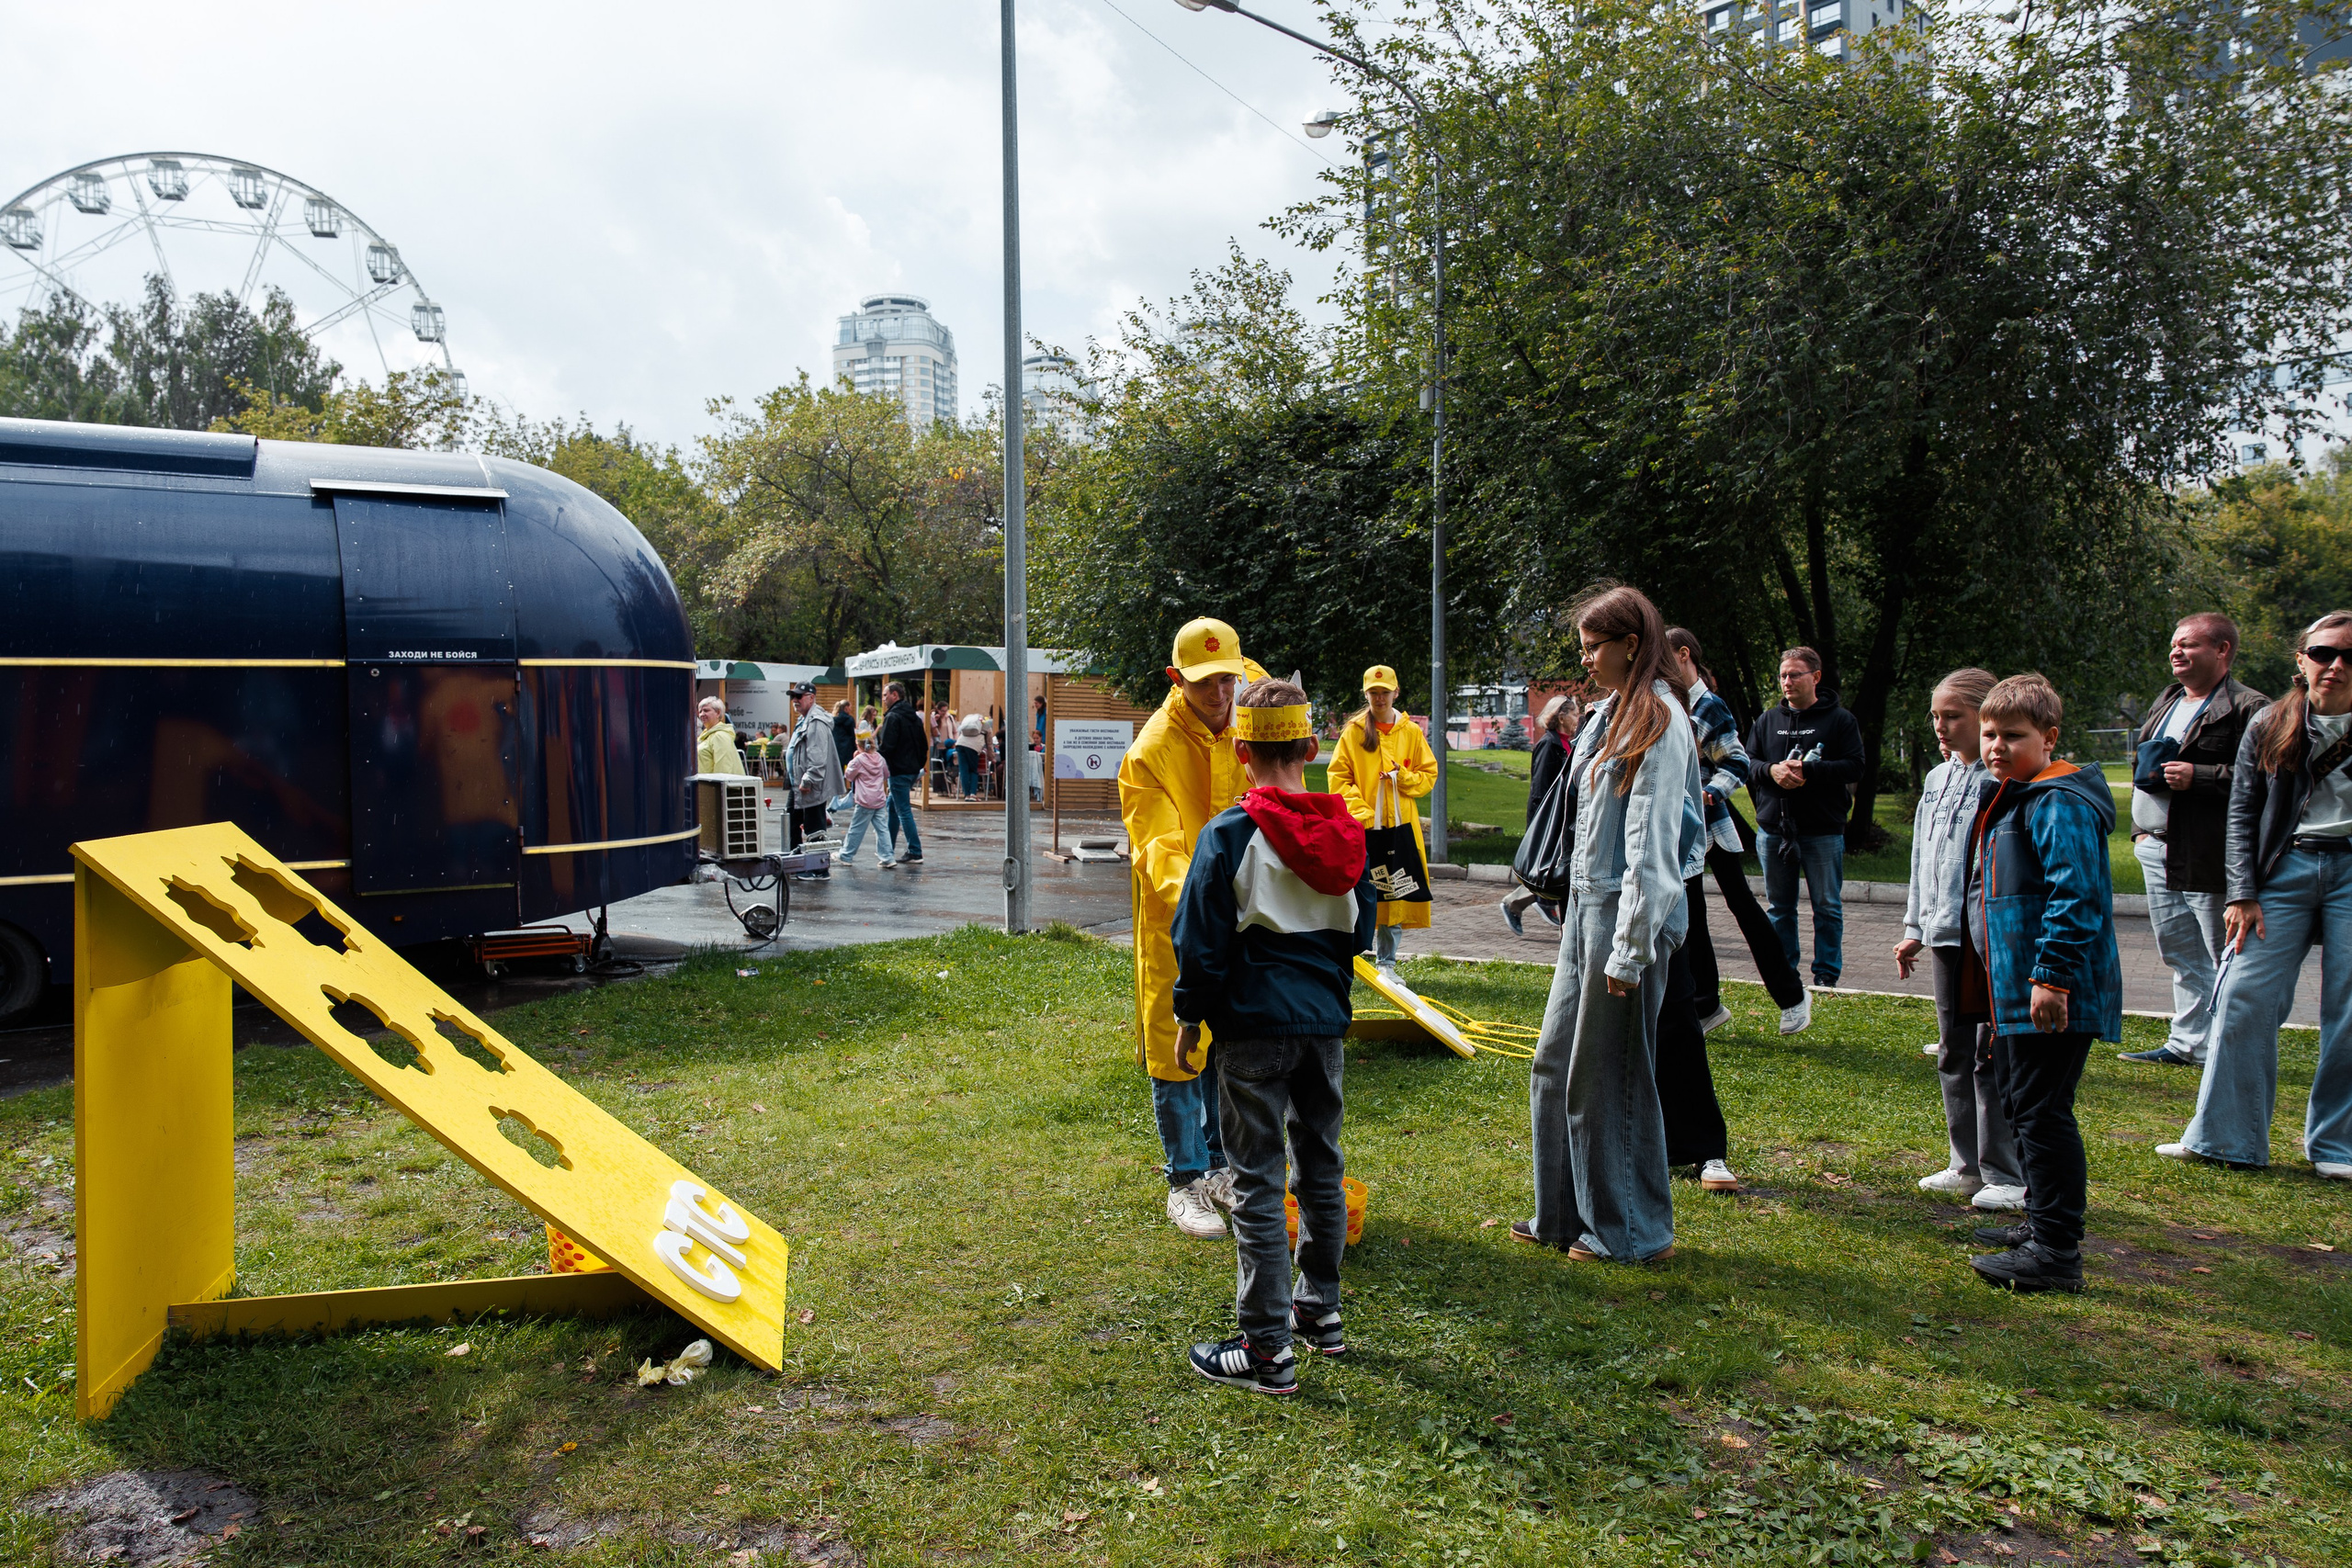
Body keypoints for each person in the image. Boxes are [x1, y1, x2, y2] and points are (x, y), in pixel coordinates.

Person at [1171, 681, 1376, 1394]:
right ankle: (1320, 1311)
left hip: (1251, 1030)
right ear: (1313, 749)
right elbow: (1363, 931)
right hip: (1324, 1026)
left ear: (1241, 750)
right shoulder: (1349, 832)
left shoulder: (1229, 835)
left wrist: (1190, 1013)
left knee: (1256, 1181)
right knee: (1320, 1166)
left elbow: (1198, 939)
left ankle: (1265, 1348)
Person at [1515, 584, 1702, 1263]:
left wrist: (1628, 952)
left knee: (1611, 1078)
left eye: (1596, 646)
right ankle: (1561, 1215)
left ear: (1632, 644)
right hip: (1588, 911)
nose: (1586, 659)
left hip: (1629, 918)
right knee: (1555, 1064)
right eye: (1584, 645)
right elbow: (1582, 820)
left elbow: (1654, 849)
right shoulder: (1606, 715)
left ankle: (1632, 1232)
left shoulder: (1657, 718)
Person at [2159, 612, 2352, 1181]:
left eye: (2349, 655)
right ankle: (2226, 1138)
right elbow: (2242, 813)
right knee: (2242, 996)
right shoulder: (2271, 722)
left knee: (2349, 1013)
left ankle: (2337, 1146)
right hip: (2282, 871)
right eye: (2322, 652)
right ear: (2302, 660)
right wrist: (2241, 893)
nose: (2335, 664)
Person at [1963, 674, 2123, 1292]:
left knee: (2043, 1112)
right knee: (2022, 1105)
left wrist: (2051, 977)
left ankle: (2056, 1251)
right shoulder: (2020, 794)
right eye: (1990, 734)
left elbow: (2074, 894)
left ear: (2049, 737)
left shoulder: (2057, 801)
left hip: (2052, 994)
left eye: (2014, 735)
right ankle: (2039, 1223)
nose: (1997, 746)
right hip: (2017, 995)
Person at [1118, 615, 1269, 1240]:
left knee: (1230, 1037)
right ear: (1176, 678)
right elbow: (1160, 848)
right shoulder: (1149, 753)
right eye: (1205, 684)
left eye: (1228, 681)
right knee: (1174, 1045)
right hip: (1178, 918)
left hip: (1243, 909)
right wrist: (1204, 907)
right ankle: (1186, 1178)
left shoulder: (1251, 710)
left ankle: (1223, 1165)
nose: (1220, 696)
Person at [1893, 669, 2024, 1211]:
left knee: (1993, 1055)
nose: (1941, 727)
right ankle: (1964, 1164)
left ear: (1985, 717)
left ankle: (2006, 1172)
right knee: (1953, 1049)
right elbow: (1923, 858)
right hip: (1946, 934)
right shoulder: (1935, 780)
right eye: (1936, 717)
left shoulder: (2004, 782)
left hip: (1989, 940)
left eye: (1953, 717)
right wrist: (1914, 927)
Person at [2121, 615, 2268, 1066]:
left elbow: (2269, 777)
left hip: (2207, 851)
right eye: (2174, 645)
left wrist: (2200, 776)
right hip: (2154, 846)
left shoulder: (2251, 707)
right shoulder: (2167, 699)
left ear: (2222, 650)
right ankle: (2189, 1044)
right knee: (2180, 951)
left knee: (2223, 953)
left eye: (2189, 644)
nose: (2176, 652)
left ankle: (2233, 1046)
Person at [1651, 628, 1751, 1194]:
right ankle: (1633, 1143)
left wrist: (1710, 795)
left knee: (1678, 1009)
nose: (1587, 660)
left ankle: (1703, 1148)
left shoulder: (1689, 709)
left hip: (1677, 875)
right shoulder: (1607, 716)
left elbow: (1732, 764)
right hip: (1613, 891)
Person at [1746, 647, 1865, 989]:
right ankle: (1785, 973)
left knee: (1826, 906)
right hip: (1774, 830)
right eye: (1783, 675)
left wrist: (1808, 769)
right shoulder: (1768, 720)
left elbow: (1855, 766)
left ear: (1815, 677)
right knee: (1780, 908)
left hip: (1822, 830)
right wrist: (1772, 770)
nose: (1787, 681)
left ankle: (1826, 974)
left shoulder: (1840, 720)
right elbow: (1748, 764)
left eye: (1795, 674)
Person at [1326, 665, 1438, 976]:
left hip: (1400, 826)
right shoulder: (1354, 732)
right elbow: (1339, 777)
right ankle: (1349, 957)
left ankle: (1387, 961)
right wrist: (1361, 812)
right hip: (1363, 828)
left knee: (1396, 891)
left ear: (1395, 693)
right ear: (1366, 695)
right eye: (1373, 693)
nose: (1379, 698)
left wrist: (1403, 778)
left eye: (1384, 692)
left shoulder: (1411, 732)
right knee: (1362, 891)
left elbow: (1428, 774)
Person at [1500, 694, 1578, 936]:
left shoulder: (1568, 742)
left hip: (1563, 819)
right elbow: (1540, 790)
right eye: (1575, 714)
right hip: (1549, 821)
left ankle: (1526, 903)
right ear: (1561, 716)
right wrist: (1538, 826)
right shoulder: (1549, 744)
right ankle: (1537, 904)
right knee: (1550, 869)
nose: (1578, 718)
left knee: (1555, 870)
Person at [784, 682, 845, 876]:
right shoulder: (805, 719)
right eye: (793, 696)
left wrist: (809, 779)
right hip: (799, 785)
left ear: (811, 697)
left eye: (799, 696)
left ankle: (817, 869)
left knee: (814, 828)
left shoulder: (816, 721)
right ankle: (799, 865)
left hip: (809, 785)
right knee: (793, 823)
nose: (795, 700)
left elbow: (817, 757)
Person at [875, 680, 928, 865]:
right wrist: (918, 765)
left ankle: (915, 850)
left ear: (894, 695)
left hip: (898, 770)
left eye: (884, 695)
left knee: (903, 810)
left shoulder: (892, 717)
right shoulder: (913, 717)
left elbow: (887, 747)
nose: (883, 699)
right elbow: (924, 744)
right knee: (893, 807)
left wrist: (874, 758)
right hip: (911, 770)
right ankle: (887, 850)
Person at [833, 733, 895, 869]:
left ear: (858, 745)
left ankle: (846, 855)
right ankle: (888, 857)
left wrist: (852, 761)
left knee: (856, 829)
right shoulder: (880, 758)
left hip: (865, 800)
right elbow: (886, 774)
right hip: (879, 799)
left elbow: (848, 776)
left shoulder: (858, 760)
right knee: (882, 829)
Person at [695, 698, 744, 774]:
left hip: (711, 785)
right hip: (705, 784)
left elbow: (723, 769)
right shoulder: (708, 735)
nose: (702, 714)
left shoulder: (719, 736)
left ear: (718, 713)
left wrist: (717, 786)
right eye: (700, 711)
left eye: (706, 710)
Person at [955, 711, 989, 798]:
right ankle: (973, 794)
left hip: (960, 744)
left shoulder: (966, 722)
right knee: (973, 770)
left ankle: (966, 795)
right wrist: (992, 757)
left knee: (963, 771)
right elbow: (990, 743)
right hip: (973, 747)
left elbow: (959, 734)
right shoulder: (985, 725)